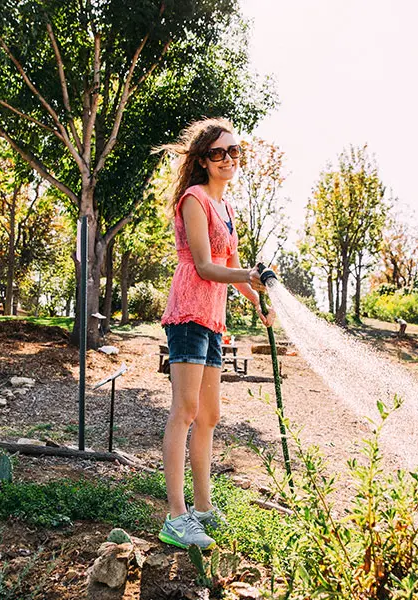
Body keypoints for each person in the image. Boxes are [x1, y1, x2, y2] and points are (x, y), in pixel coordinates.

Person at [158, 118, 276, 550]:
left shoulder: (226, 208)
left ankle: (202, 508)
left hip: (212, 320)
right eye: (218, 153)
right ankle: (176, 516)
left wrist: (257, 299)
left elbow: (234, 267)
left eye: (234, 152)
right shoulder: (195, 199)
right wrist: (245, 274)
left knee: (210, 415)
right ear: (203, 160)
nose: (228, 159)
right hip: (189, 312)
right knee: (185, 410)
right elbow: (207, 267)